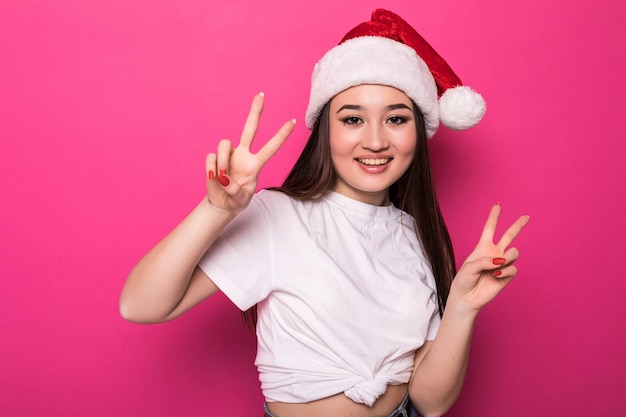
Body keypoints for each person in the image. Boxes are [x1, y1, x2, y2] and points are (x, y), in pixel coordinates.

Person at [119, 9, 529, 417]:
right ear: (325, 130)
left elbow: (430, 402)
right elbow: (140, 306)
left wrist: (462, 306)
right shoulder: (278, 215)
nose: (374, 140)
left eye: (396, 119)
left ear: (417, 133)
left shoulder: (414, 234)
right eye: (352, 119)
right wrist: (214, 210)